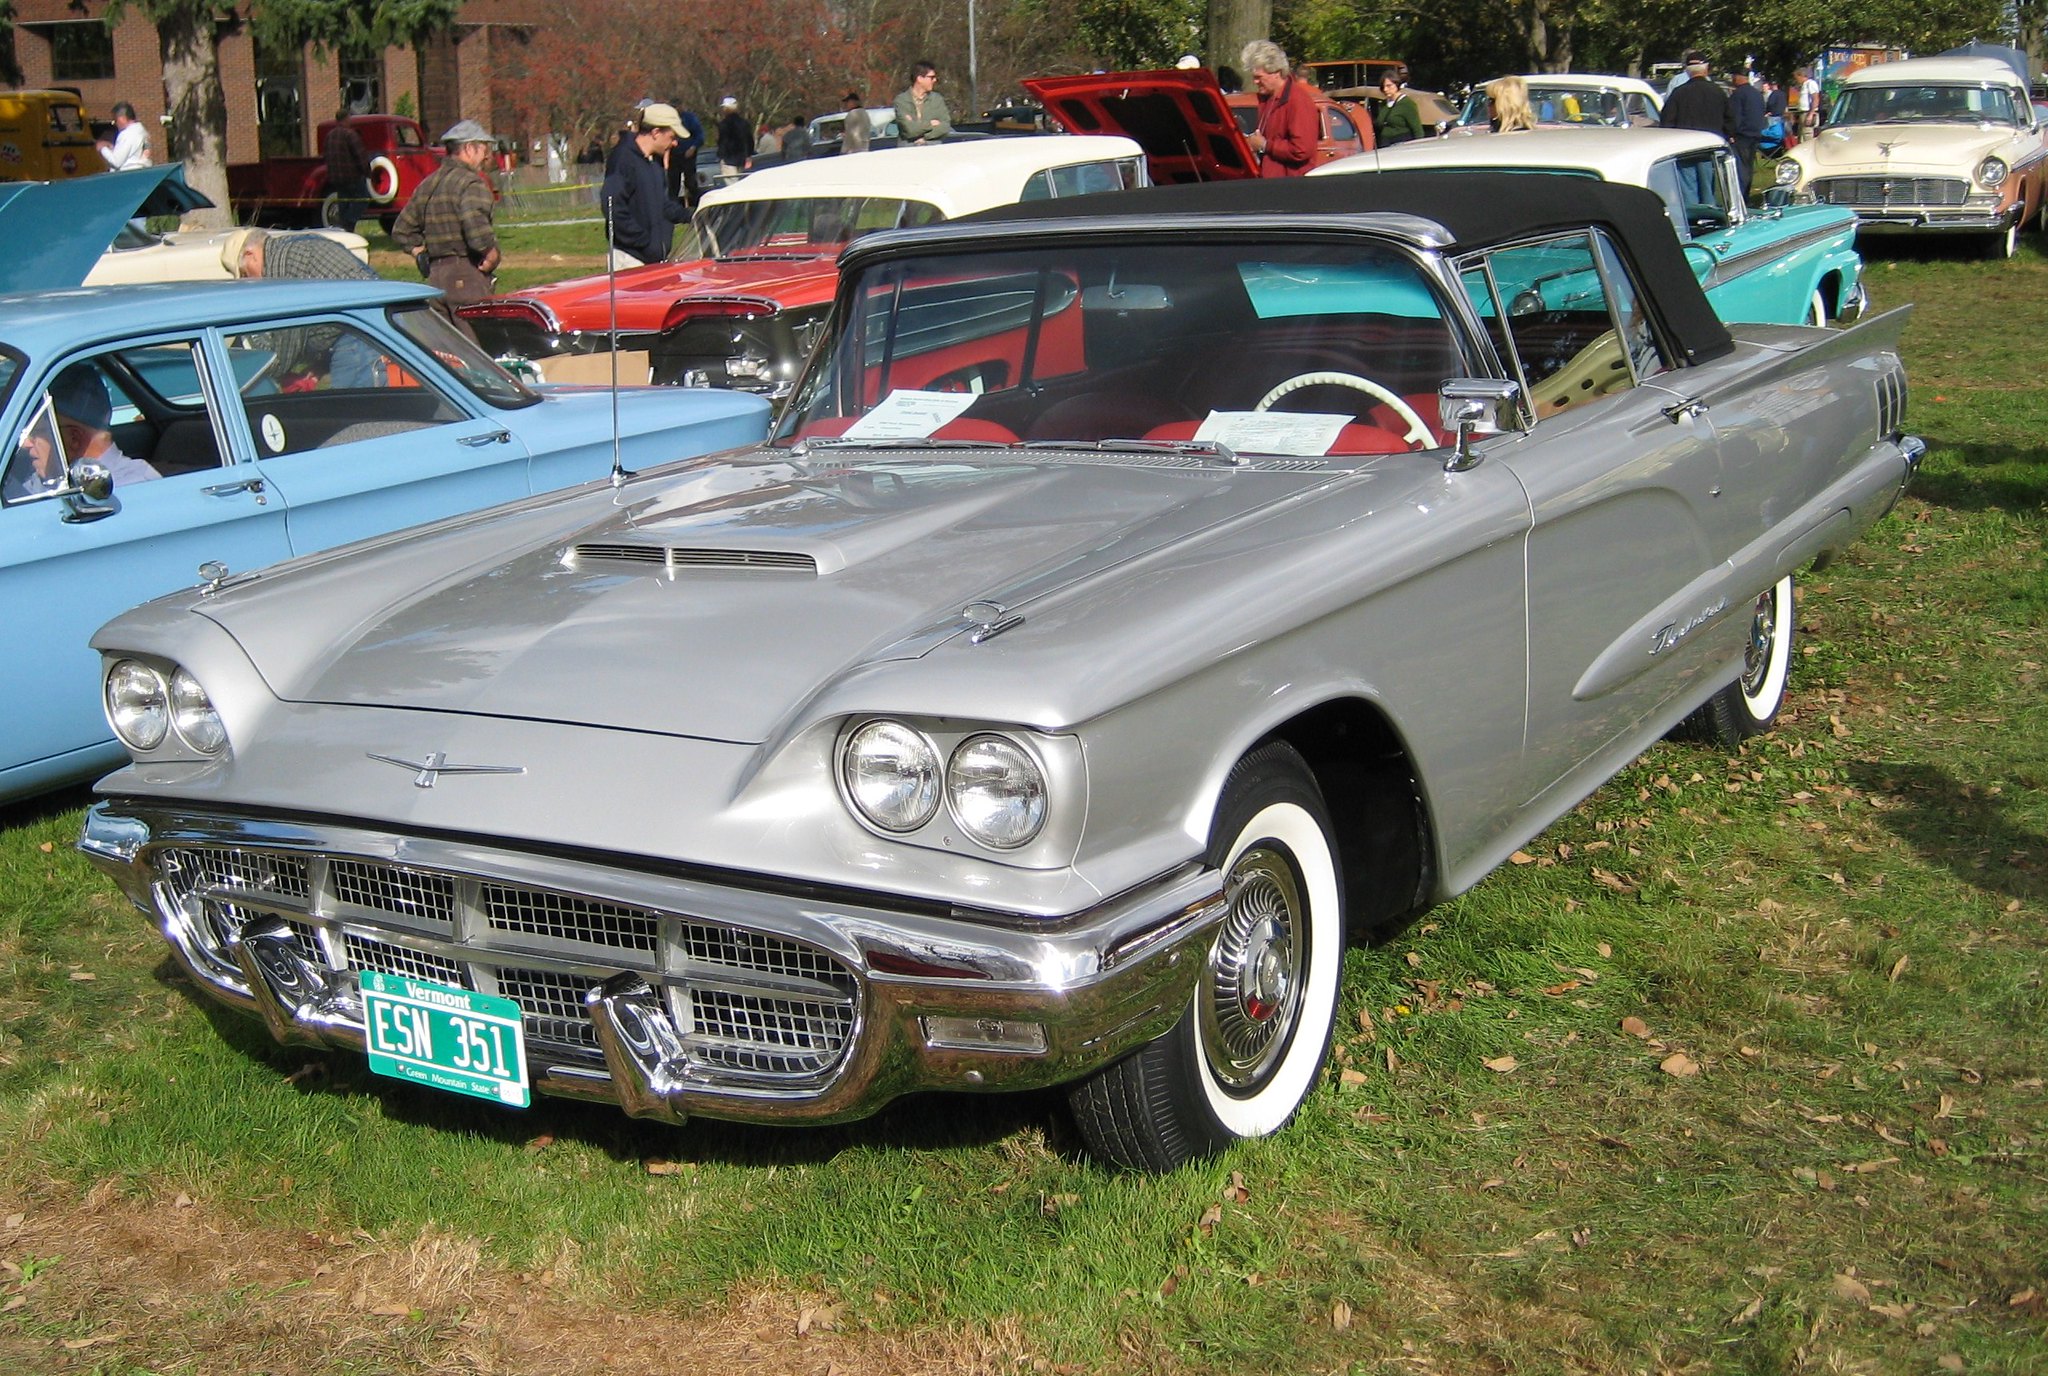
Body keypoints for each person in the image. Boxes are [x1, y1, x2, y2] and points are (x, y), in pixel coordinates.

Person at [219, 227, 383, 387]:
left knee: (356, 411)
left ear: (250, 255)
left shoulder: (279, 267)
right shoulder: (289, 248)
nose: (249, 282)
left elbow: (287, 342)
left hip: (360, 332)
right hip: (365, 325)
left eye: (245, 274)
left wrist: (272, 372)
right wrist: (318, 367)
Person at [391, 119, 502, 338]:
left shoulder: (428, 184)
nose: (486, 156)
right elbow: (477, 233)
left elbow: (401, 229)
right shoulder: (472, 183)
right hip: (467, 276)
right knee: (479, 356)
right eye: (483, 149)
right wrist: (492, 255)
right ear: (469, 149)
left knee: (449, 358)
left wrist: (419, 253)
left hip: (436, 281)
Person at [4, 363, 160, 501]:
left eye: (37, 433)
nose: (25, 443)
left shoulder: (131, 489)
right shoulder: (50, 475)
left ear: (74, 438)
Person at [600, 103, 691, 270]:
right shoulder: (623, 159)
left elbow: (662, 205)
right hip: (630, 260)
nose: (675, 143)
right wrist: (643, 242)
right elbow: (612, 206)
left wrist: (692, 215)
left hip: (653, 261)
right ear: (656, 132)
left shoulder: (654, 162)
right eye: (672, 137)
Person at [1661, 59, 1732, 207]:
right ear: (1705, 70)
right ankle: (1709, 215)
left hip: (1685, 147)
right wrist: (1727, 136)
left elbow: (1667, 121)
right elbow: (1729, 118)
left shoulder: (1679, 93)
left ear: (1687, 71)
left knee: (1688, 188)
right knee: (1708, 187)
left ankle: (1693, 219)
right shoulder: (1717, 92)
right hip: (1709, 146)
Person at [1241, 40, 1318, 175]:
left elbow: (1301, 150)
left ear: (1276, 72)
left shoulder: (1298, 100)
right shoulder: (1268, 99)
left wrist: (1265, 145)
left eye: (1259, 77)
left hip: (1291, 185)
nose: (1255, 82)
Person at [323, 107, 372, 230]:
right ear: (346, 118)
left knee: (343, 202)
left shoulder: (329, 136)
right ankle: (349, 222)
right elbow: (360, 155)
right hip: (352, 176)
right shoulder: (351, 135)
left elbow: (326, 156)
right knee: (363, 198)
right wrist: (367, 172)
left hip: (336, 178)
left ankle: (344, 227)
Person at [1727, 69, 1767, 204]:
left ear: (1739, 77)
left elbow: (1735, 116)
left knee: (1740, 169)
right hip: (1755, 134)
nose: (1732, 79)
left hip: (1741, 135)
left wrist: (1731, 133)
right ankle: (1746, 195)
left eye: (1734, 76)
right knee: (1749, 167)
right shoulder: (1757, 94)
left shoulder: (1738, 95)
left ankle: (1740, 198)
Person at [895, 60, 952, 144]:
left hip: (933, 151)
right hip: (908, 152)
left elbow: (945, 127)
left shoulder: (937, 99)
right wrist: (930, 124)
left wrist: (924, 138)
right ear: (920, 78)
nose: (935, 80)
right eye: (931, 77)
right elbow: (909, 130)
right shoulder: (901, 100)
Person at [98, 101, 150, 171]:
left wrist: (102, 148)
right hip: (140, 171)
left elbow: (116, 162)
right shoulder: (142, 132)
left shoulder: (127, 134)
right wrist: (111, 148)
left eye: (114, 121)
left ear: (121, 119)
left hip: (126, 175)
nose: (114, 124)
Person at [1375, 73, 1424, 146]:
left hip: (1400, 143)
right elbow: (1379, 122)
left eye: (1389, 86)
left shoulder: (1407, 104)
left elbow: (1417, 130)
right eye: (1383, 87)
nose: (1385, 89)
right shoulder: (1383, 104)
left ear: (1397, 85)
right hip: (1384, 144)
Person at [715, 96, 751, 184]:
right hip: (742, 158)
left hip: (728, 159)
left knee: (731, 185)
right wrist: (748, 155)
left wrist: (720, 155)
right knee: (743, 183)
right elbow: (749, 140)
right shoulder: (744, 123)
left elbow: (722, 142)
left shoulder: (723, 125)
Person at [1797, 67, 1823, 140]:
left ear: (1801, 76)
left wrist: (1811, 114)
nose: (1797, 80)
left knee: (1807, 135)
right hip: (1803, 113)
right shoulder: (1803, 85)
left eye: (1797, 77)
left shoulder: (1810, 83)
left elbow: (1815, 98)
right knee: (1802, 136)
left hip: (1808, 113)